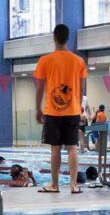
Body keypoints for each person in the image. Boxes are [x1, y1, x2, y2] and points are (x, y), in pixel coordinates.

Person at [34, 24, 87, 194]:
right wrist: (80, 107)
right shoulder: (78, 61)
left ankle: (54, 184)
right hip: (72, 110)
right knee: (72, 147)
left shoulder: (45, 60)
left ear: (54, 38)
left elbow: (40, 88)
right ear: (68, 38)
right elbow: (81, 88)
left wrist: (38, 109)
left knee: (55, 148)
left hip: (52, 111)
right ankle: (73, 185)